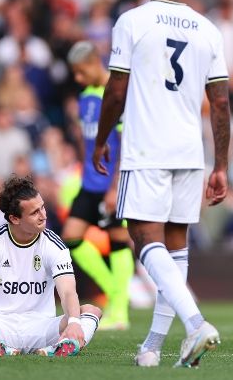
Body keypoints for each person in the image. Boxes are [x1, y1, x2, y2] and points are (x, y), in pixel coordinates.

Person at [92, 0, 230, 368]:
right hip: (190, 152)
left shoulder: (132, 22)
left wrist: (101, 140)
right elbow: (221, 104)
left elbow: (116, 90)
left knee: (144, 240)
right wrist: (221, 164)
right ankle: (152, 347)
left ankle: (195, 324)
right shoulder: (208, 29)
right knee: (176, 247)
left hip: (147, 148)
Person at [0, 175, 101, 356]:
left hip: (42, 329)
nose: (43, 215)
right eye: (35, 212)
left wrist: (73, 321)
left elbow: (67, 292)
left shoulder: (54, 244)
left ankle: (51, 347)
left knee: (90, 311)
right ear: (15, 218)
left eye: (42, 207)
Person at [64, 41, 133, 331]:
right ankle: (114, 292)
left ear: (95, 62)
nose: (78, 80)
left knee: (118, 239)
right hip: (90, 181)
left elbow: (125, 142)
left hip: (111, 183)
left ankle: (119, 312)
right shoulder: (85, 98)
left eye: (81, 73)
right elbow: (87, 141)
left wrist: (116, 185)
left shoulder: (116, 94)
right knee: (71, 237)